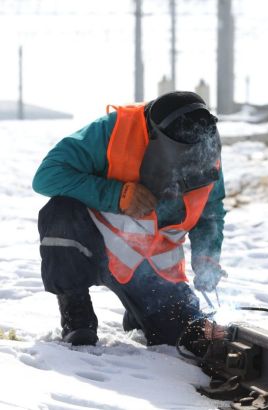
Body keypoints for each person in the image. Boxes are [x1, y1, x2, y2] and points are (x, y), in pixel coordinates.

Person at [32, 91, 227, 351]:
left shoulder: (205, 145)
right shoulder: (110, 133)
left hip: (153, 267)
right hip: (95, 243)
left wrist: (207, 257)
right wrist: (117, 194)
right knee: (60, 210)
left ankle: (139, 310)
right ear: (154, 136)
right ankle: (76, 312)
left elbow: (210, 209)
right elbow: (46, 176)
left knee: (184, 336)